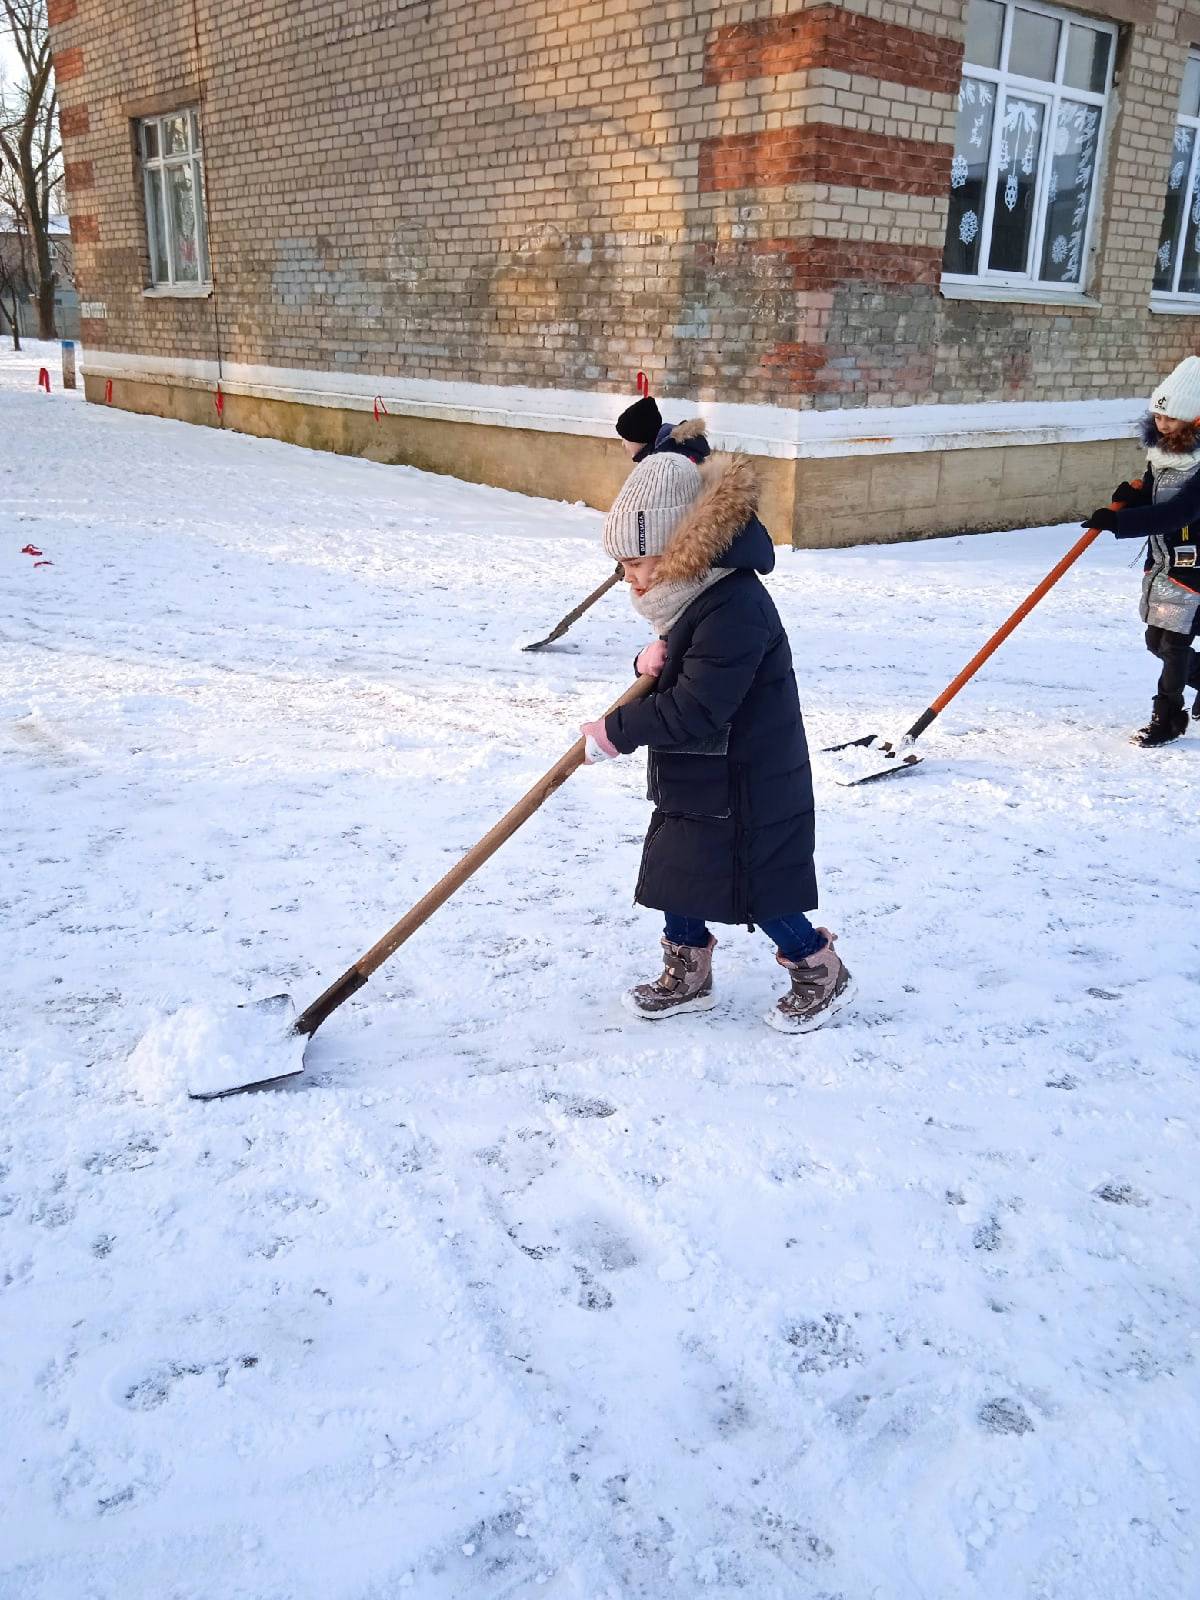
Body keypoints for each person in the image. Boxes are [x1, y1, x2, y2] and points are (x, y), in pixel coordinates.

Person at [578, 450, 853, 1033]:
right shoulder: (694, 597)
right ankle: (688, 971)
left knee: (760, 885)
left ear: (679, 548)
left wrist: (616, 732)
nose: (626, 576)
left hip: (747, 779)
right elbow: (688, 671)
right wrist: (649, 657)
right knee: (680, 870)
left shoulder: (735, 606)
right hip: (701, 775)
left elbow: (698, 706)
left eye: (635, 561)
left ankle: (818, 967)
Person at [1084, 355, 1200, 746]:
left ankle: (1168, 719)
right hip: (1164, 563)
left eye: (1170, 418)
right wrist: (1129, 502)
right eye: (1157, 416)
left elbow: (1179, 512)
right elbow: (1154, 500)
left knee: (1172, 644)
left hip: (1195, 566)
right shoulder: (1163, 454)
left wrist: (1120, 523)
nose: (1161, 424)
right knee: (1157, 643)